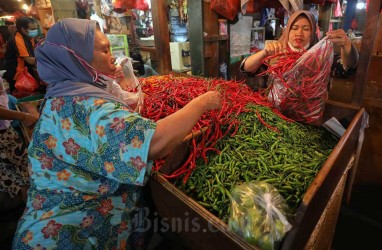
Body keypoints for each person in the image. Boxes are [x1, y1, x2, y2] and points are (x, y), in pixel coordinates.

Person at [12, 18, 222, 249]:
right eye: (104, 50)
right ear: (76, 57)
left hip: (58, 226)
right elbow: (153, 143)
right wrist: (200, 104)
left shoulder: (62, 94)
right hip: (69, 235)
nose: (111, 56)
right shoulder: (89, 107)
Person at [241, 10, 359, 86]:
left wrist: (347, 44)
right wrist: (264, 53)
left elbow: (347, 67)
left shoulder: (320, 57)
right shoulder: (277, 52)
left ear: (313, 33)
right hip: (274, 115)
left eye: (306, 29)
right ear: (287, 31)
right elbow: (247, 68)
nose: (299, 33)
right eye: (294, 28)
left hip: (307, 117)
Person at [4, 17, 39, 94]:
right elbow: (29, 60)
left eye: (36, 28)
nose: (35, 31)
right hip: (18, 74)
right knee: (20, 97)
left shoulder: (29, 37)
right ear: (23, 29)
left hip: (26, 71)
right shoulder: (18, 39)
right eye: (32, 29)